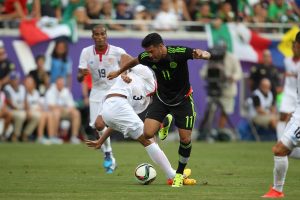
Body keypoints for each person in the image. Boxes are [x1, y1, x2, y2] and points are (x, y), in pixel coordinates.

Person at [107, 32, 211, 187]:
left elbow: (203, 53)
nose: (149, 55)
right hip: (161, 100)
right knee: (147, 133)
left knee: (185, 139)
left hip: (183, 101)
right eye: (147, 52)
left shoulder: (179, 53)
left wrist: (203, 54)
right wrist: (118, 72)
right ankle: (165, 122)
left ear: (161, 47)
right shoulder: (147, 57)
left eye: (151, 51)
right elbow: (133, 62)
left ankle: (179, 175)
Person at [86, 64, 196, 185]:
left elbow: (116, 120)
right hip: (116, 102)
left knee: (148, 137)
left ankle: (171, 171)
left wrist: (101, 140)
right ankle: (172, 175)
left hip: (111, 106)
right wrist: (121, 73)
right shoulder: (146, 74)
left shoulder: (144, 100)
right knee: (147, 139)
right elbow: (128, 61)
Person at [77, 24, 132, 173]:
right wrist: (82, 75)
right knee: (98, 125)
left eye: (103, 34)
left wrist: (125, 74)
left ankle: (109, 153)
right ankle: (108, 153)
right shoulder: (86, 52)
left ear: (106, 35)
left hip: (114, 90)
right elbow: (79, 76)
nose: (100, 37)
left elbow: (128, 63)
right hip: (96, 92)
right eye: (97, 34)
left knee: (106, 123)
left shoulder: (117, 51)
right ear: (92, 36)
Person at [261, 31, 300, 198]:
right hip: (297, 107)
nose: (293, 47)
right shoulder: (292, 63)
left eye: (295, 44)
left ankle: (277, 191)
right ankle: (277, 190)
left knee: (280, 149)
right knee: (281, 149)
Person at [276, 41, 300, 140]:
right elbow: (284, 75)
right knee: (282, 115)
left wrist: (293, 75)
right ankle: (280, 139)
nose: (295, 49)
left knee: (295, 117)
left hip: (298, 92)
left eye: (297, 47)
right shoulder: (287, 60)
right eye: (293, 47)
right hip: (288, 91)